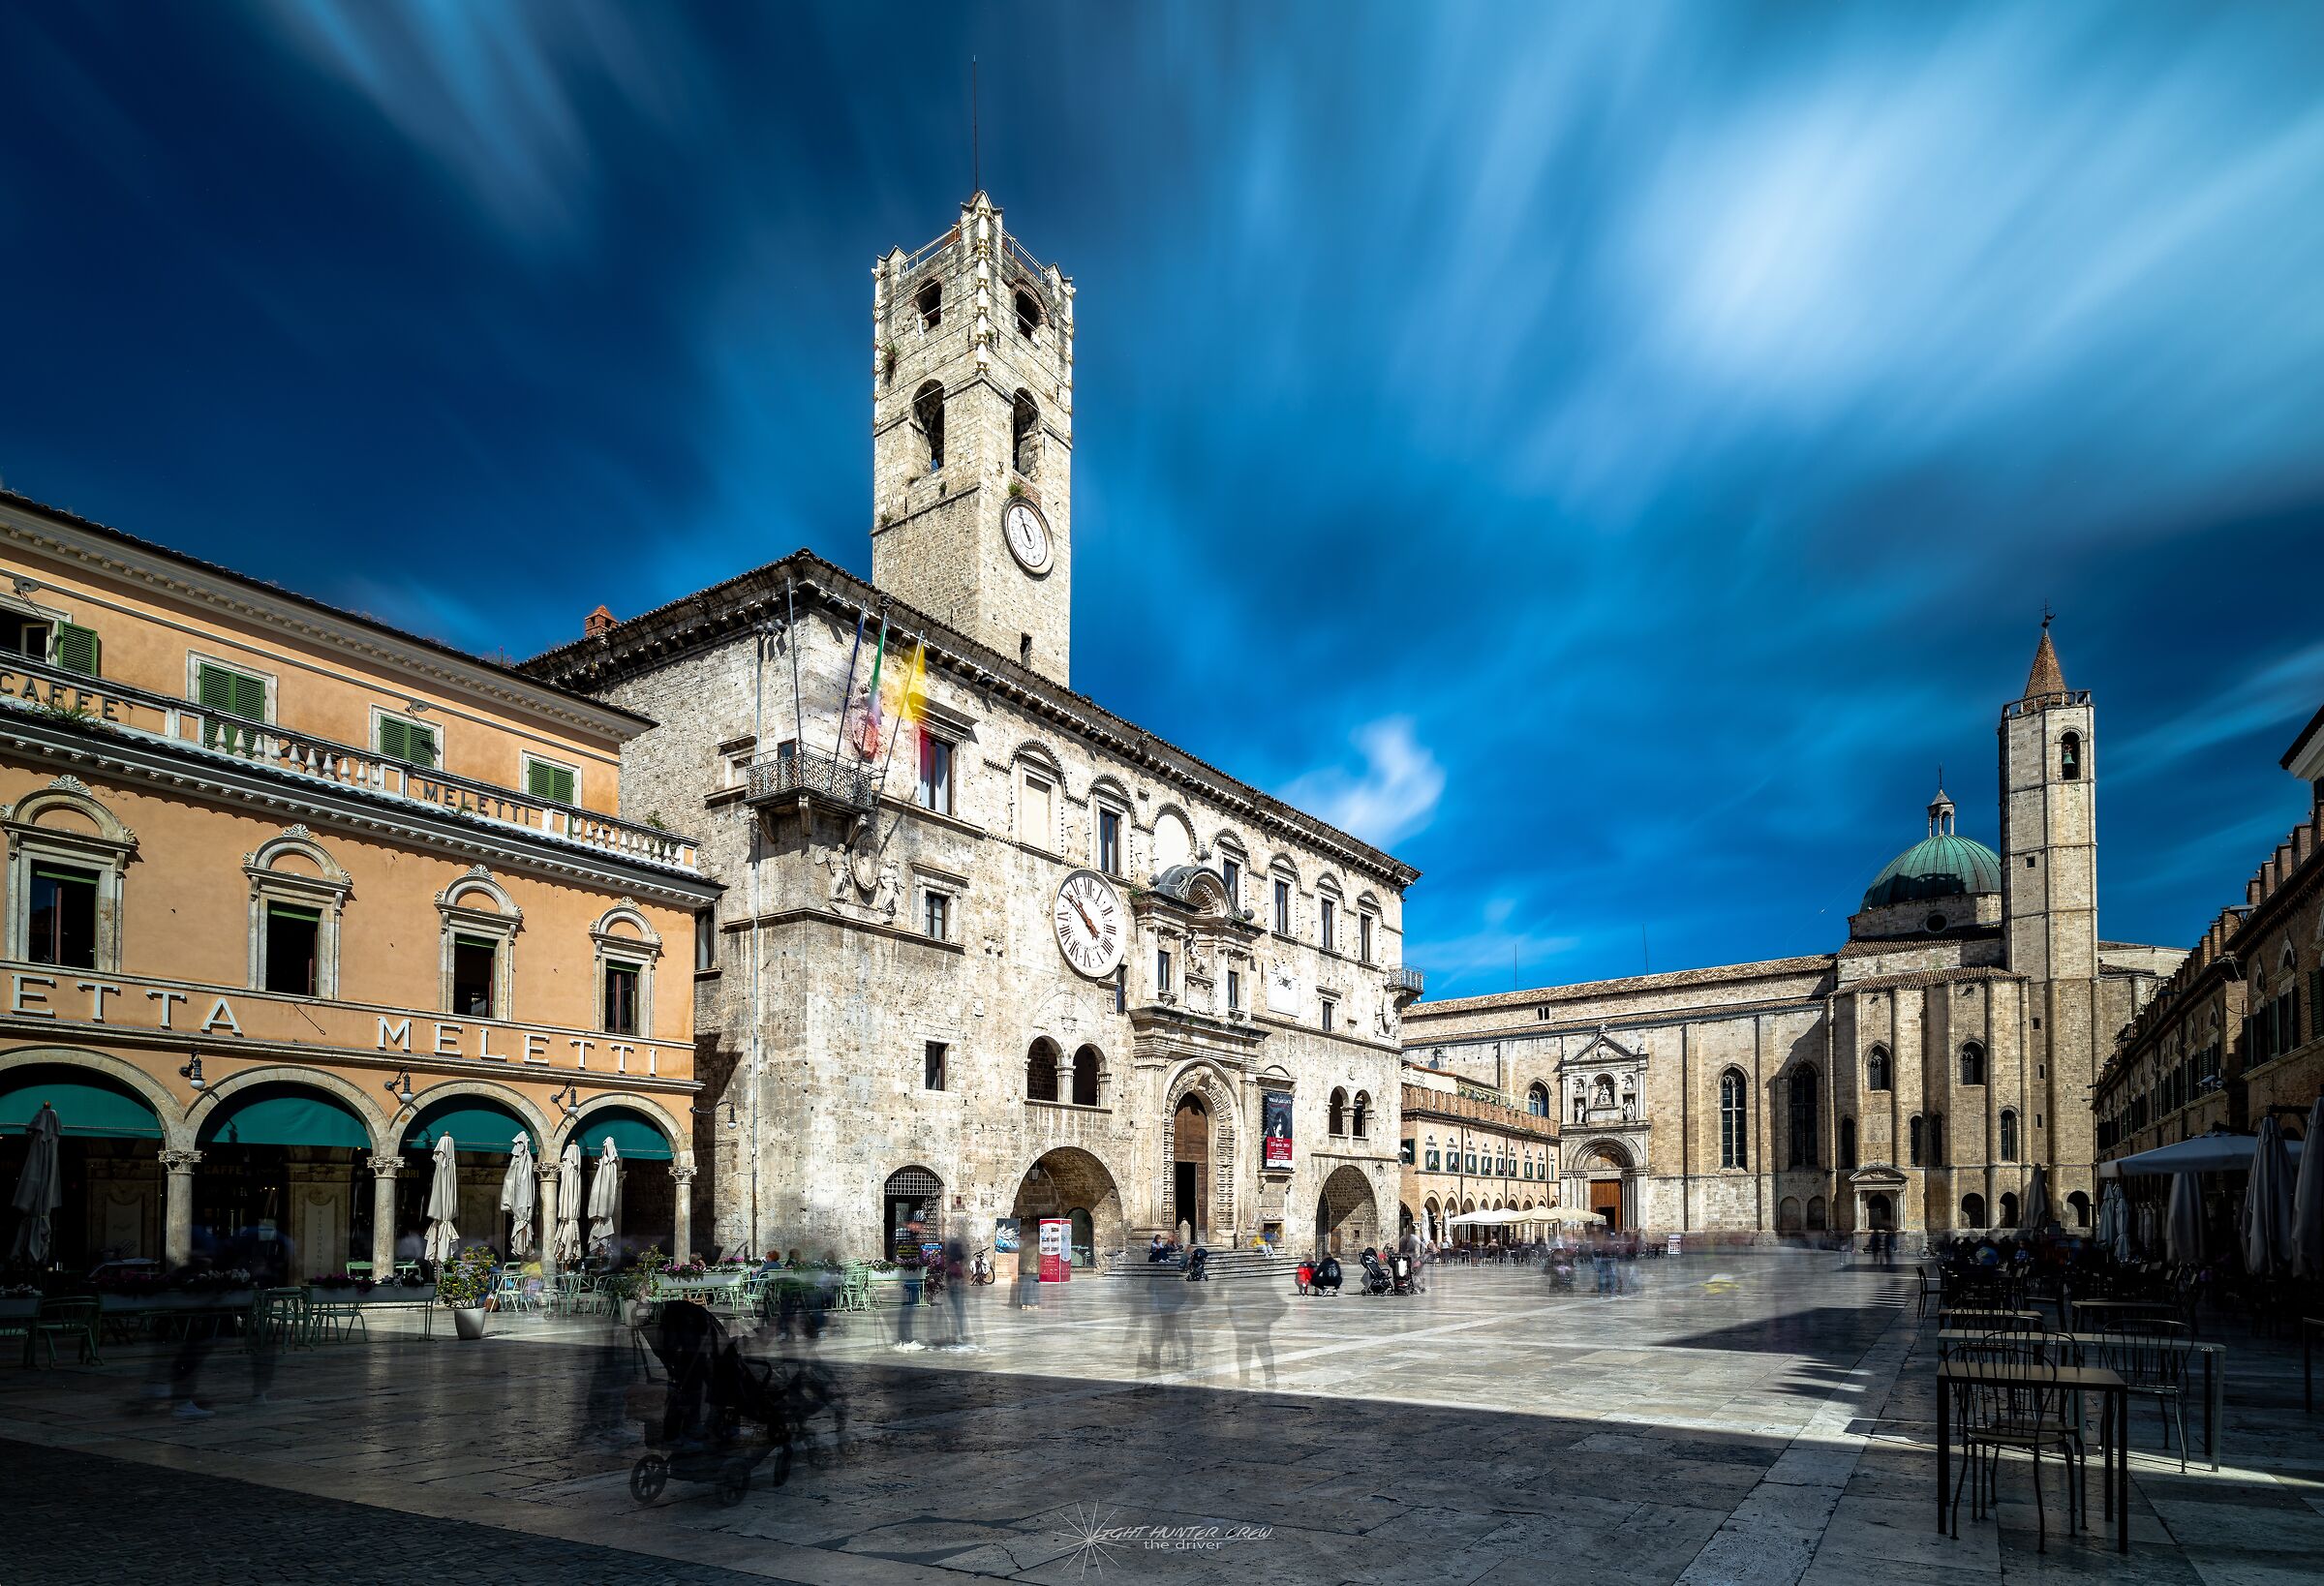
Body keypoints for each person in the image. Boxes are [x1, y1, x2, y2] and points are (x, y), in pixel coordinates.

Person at [893, 1218, 927, 1352]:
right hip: (910, 1278)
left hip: (912, 1278)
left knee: (909, 1310)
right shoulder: (907, 1239)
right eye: (919, 1225)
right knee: (908, 1310)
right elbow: (903, 1256)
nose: (921, 1228)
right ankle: (906, 1339)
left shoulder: (910, 1239)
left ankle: (905, 1338)